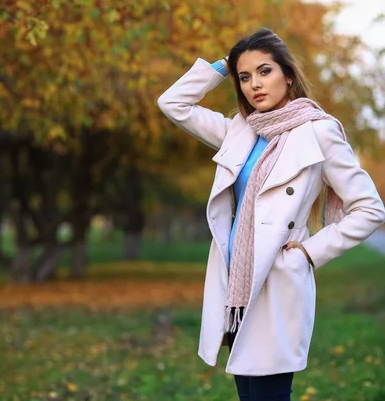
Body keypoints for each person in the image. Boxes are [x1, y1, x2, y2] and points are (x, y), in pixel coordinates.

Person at [157, 27, 385, 401]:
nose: (253, 85)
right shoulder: (239, 131)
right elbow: (174, 104)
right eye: (244, 77)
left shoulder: (319, 132)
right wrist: (223, 65)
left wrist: (309, 253)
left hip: (276, 282)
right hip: (235, 288)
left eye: (265, 71)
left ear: (288, 75)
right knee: (249, 394)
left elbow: (370, 208)